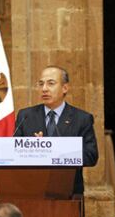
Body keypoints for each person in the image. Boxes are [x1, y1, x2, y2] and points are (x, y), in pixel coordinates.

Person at [14, 66, 99, 194]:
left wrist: (51, 149)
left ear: (65, 88)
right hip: (32, 191)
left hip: (68, 192)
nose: (44, 89)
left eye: (51, 83)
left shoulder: (82, 118)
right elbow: (13, 152)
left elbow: (91, 156)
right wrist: (32, 147)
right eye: (41, 84)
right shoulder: (26, 116)